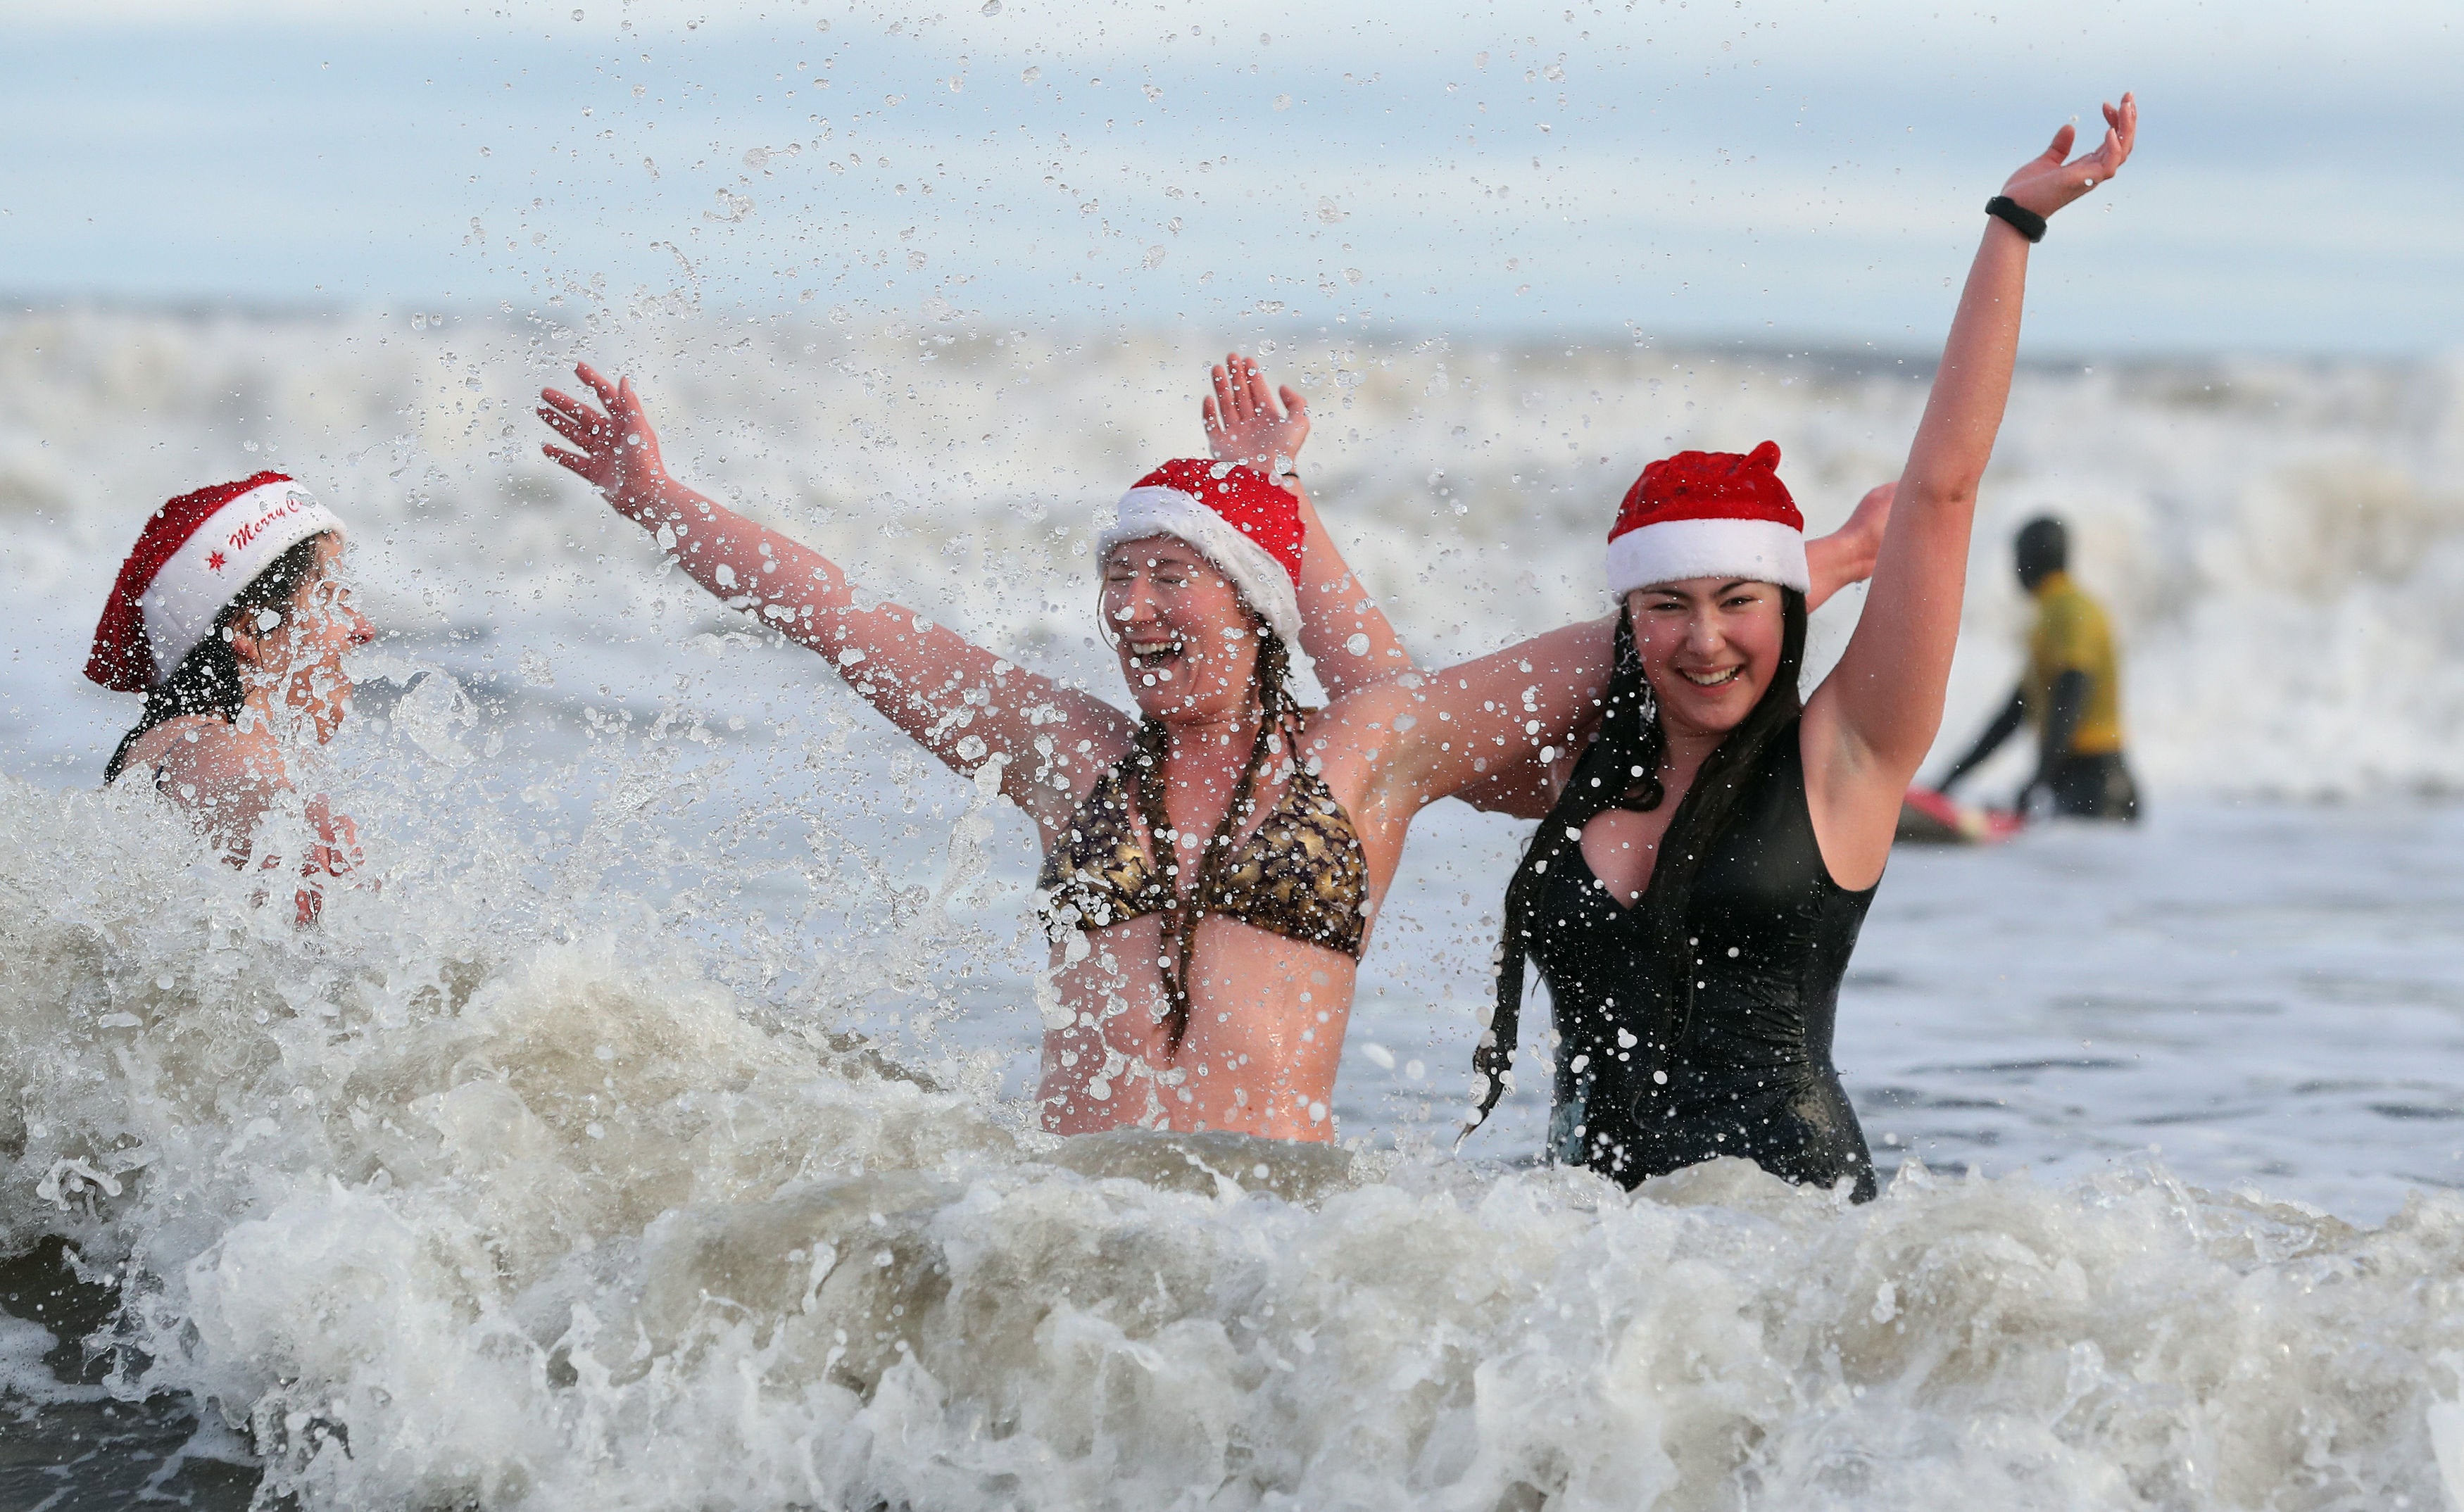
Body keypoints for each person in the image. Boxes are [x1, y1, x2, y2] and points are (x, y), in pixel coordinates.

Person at [1425, 96, 2133, 1201]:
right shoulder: (1574, 777)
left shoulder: (1842, 759)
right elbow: (1396, 730)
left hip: (1789, 1251)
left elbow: (1943, 492)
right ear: (1628, 620)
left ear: (1791, 605)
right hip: (1576, 1264)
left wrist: (2014, 224)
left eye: (1740, 600)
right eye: (1665, 605)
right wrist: (1287, 527)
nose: (1704, 640)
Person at [87, 472, 374, 922]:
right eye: (333, 598)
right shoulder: (220, 750)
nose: (362, 629)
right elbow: (238, 782)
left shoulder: (168, 746)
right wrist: (298, 816)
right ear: (246, 628)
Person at [1934, 515, 2138, 820]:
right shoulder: (2053, 614)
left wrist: (2040, 777)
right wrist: (1950, 782)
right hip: (2087, 785)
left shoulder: (2068, 611)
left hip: (2098, 787)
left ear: (2027, 560)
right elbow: (2014, 713)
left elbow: (2072, 692)